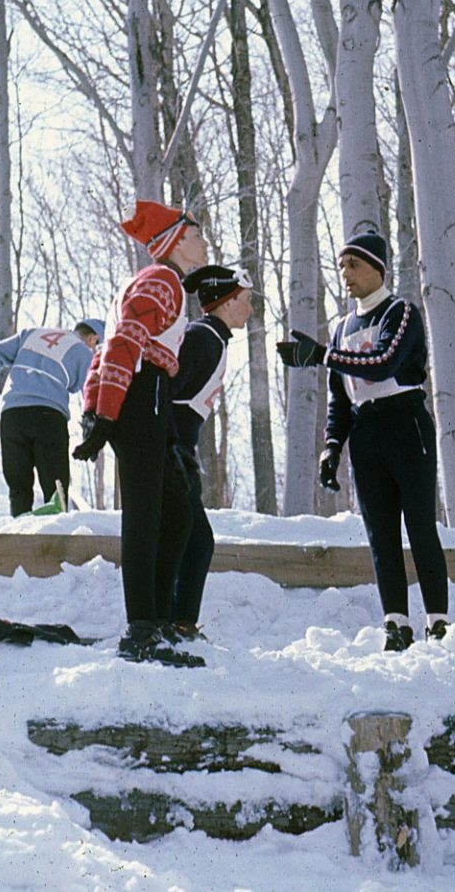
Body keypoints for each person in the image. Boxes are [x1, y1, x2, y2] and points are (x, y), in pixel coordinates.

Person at [277, 232, 450, 652]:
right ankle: (396, 622)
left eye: (353, 265)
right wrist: (332, 446)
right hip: (366, 433)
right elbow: (341, 394)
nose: (346, 275)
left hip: (405, 423)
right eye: (341, 267)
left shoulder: (400, 311)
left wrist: (322, 355)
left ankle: (439, 621)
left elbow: (383, 362)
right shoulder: (341, 327)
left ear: (377, 268)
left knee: (420, 526)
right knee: (380, 532)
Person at [72, 199, 210, 667]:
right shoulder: (162, 279)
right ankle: (141, 631)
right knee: (148, 512)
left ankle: (157, 621)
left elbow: (110, 347)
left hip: (144, 397)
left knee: (175, 510)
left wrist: (98, 408)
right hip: (142, 394)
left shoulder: (159, 282)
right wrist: (105, 414)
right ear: (174, 244)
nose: (204, 242)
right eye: (196, 236)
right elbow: (126, 342)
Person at [168, 265, 255, 637]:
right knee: (196, 540)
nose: (251, 310)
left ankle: (177, 622)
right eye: (246, 301)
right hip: (170, 448)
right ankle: (175, 623)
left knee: (192, 540)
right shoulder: (202, 338)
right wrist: (172, 450)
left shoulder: (212, 339)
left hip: (179, 447)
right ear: (227, 302)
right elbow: (166, 394)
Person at [0, 318, 105, 517]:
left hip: (12, 415)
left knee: (18, 489)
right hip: (48, 417)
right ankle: (55, 537)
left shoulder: (32, 334)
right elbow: (94, 392)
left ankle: (19, 534)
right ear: (94, 339)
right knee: (56, 490)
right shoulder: (84, 352)